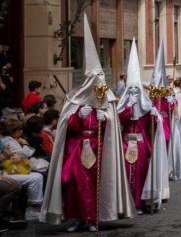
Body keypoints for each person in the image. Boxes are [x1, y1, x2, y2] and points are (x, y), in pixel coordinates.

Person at [39, 14, 135, 231]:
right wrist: (76, 117)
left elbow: (114, 123)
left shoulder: (107, 99)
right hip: (76, 148)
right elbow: (64, 126)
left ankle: (93, 218)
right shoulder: (73, 100)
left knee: (95, 184)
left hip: (99, 147)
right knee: (74, 183)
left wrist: (107, 119)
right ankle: (76, 218)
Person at [116, 39, 169, 214]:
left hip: (140, 145)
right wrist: (129, 107)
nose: (133, 94)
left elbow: (153, 127)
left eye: (136, 91)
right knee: (124, 174)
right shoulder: (124, 107)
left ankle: (138, 203)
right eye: (129, 90)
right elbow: (120, 120)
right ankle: (125, 204)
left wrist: (155, 117)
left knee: (140, 174)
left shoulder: (146, 108)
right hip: (124, 144)